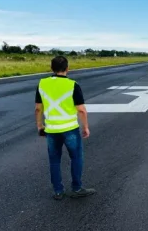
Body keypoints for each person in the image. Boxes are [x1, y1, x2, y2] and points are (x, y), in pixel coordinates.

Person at [35, 56, 96, 200]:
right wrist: (85, 127)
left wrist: (40, 125)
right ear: (67, 69)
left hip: (51, 130)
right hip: (70, 129)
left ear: (51, 68)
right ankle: (76, 188)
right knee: (76, 158)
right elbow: (81, 110)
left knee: (54, 160)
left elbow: (38, 108)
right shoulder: (73, 85)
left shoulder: (42, 84)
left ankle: (58, 191)